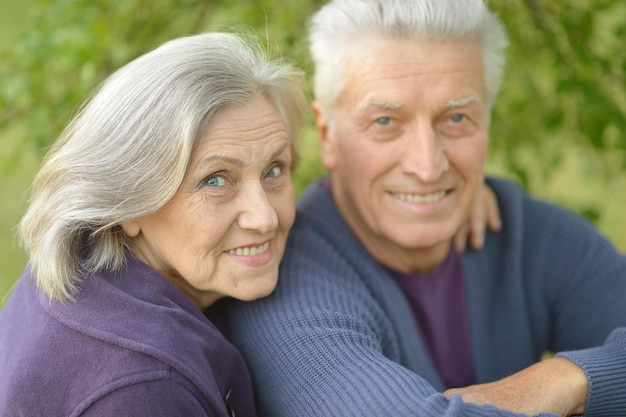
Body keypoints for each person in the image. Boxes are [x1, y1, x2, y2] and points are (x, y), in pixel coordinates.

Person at [227, 1, 626, 416]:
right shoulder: (286, 285)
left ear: (486, 124)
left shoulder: (523, 232)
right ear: (327, 136)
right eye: (385, 122)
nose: (427, 166)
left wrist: (564, 378)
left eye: (456, 118)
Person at [0, 32, 307, 416]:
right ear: (129, 204)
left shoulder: (88, 263)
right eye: (215, 180)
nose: (265, 218)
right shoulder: (144, 388)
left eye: (274, 169)